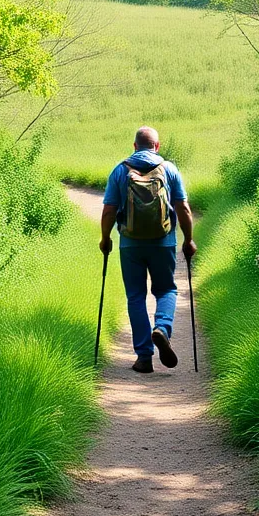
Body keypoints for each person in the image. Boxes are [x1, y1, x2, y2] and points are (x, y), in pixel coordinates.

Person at [98, 126, 196, 374]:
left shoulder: (120, 170)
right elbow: (183, 208)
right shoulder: (169, 169)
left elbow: (109, 210)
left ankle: (144, 357)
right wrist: (189, 240)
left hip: (130, 244)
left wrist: (105, 238)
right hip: (163, 243)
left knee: (136, 296)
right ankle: (162, 328)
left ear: (134, 146)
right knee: (166, 290)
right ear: (157, 146)